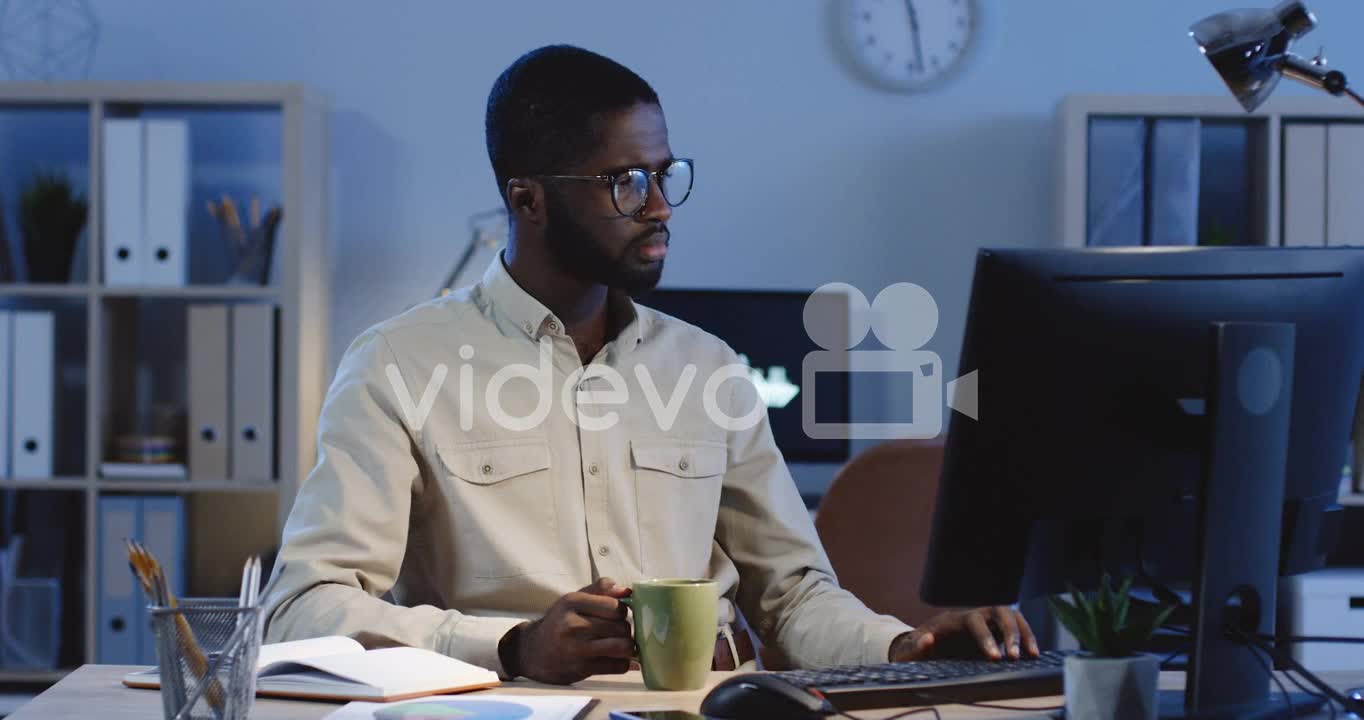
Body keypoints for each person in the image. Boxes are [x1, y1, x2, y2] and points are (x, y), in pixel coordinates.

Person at [262, 44, 1038, 686]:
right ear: (527, 199)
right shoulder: (397, 364)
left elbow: (793, 599)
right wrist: (512, 644)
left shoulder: (706, 369)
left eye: (664, 174)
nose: (660, 205)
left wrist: (907, 649)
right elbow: (304, 606)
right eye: (624, 182)